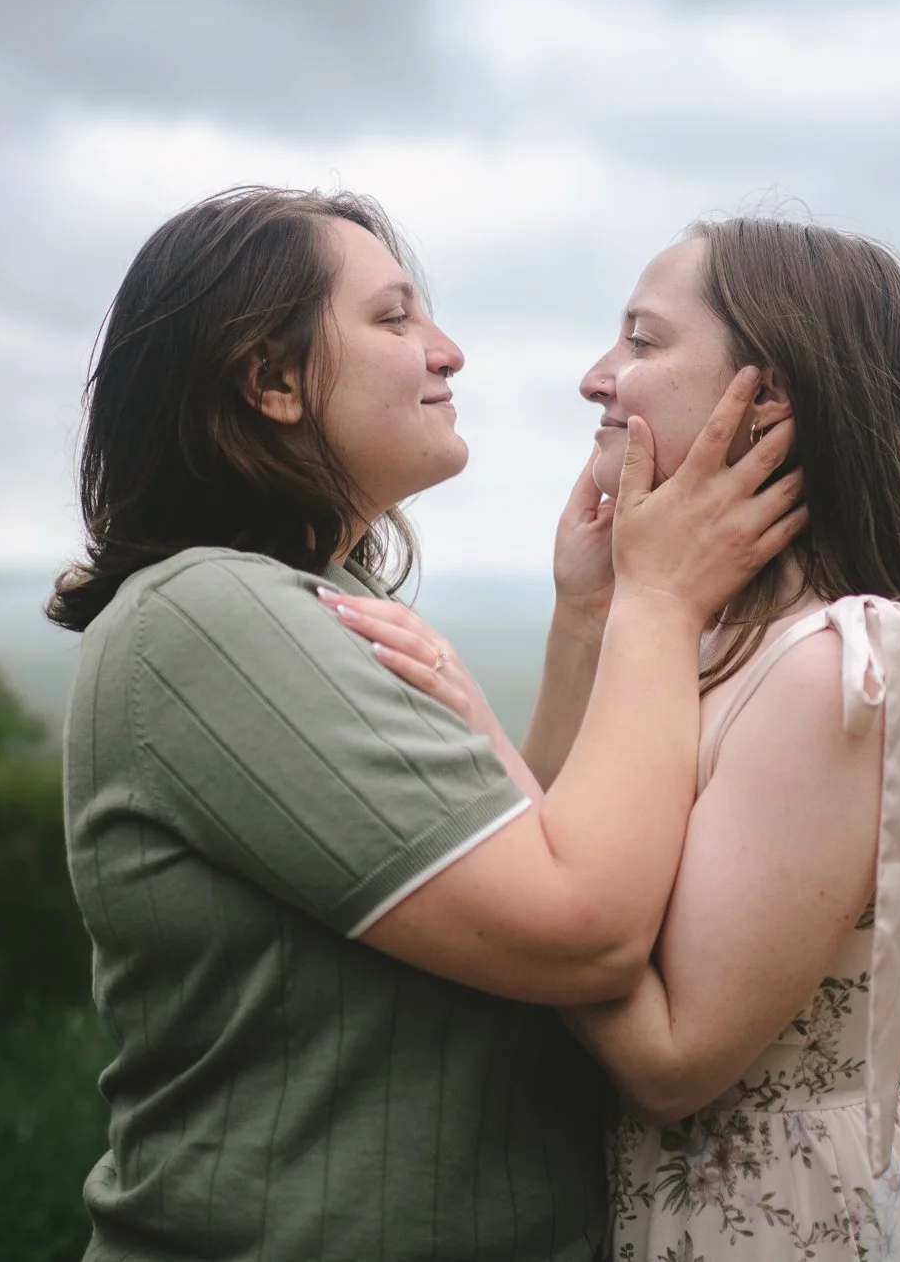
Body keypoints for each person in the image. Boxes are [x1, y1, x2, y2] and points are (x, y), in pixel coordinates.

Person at [46, 185, 808, 1262]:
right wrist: (658, 603)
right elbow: (583, 929)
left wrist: (587, 620)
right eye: (393, 318)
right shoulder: (208, 618)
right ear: (268, 379)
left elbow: (508, 854)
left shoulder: (317, 603)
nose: (445, 351)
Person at [340, 215, 900, 1261]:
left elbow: (669, 1064)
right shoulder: (704, 641)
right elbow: (561, 862)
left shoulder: (833, 671)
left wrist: (473, 729)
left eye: (642, 342)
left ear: (768, 397)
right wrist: (590, 615)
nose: (594, 376)